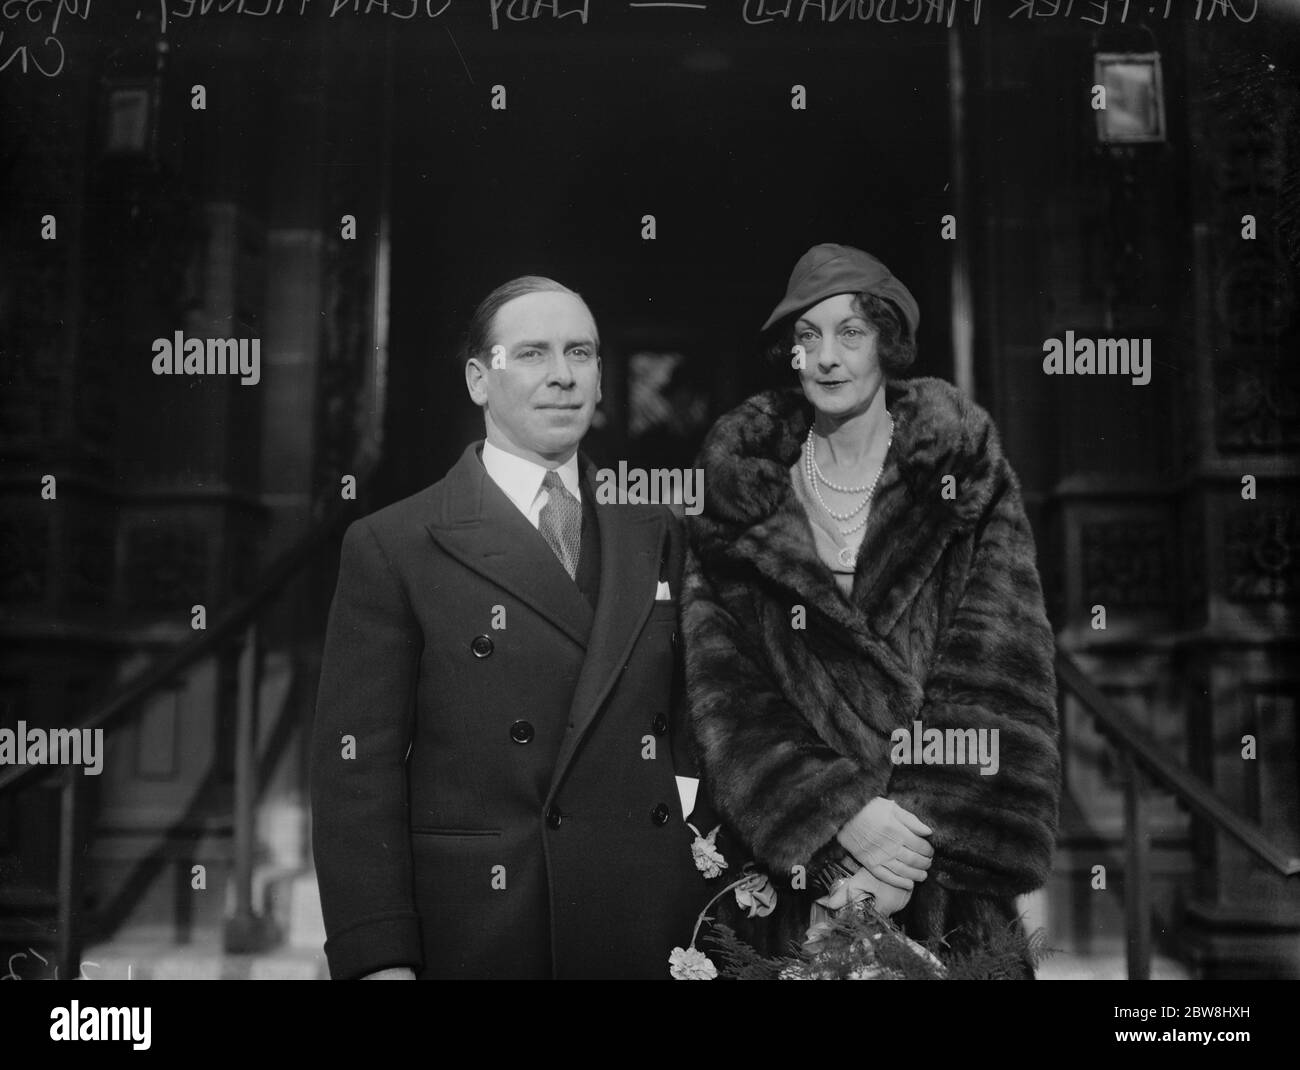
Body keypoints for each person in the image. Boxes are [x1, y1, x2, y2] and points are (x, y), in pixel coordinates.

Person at [311, 275, 719, 979]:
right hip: (485, 929)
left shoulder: (658, 532)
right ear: (479, 379)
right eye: (532, 353)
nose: (562, 376)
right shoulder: (397, 542)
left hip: (646, 929)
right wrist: (378, 957)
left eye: (581, 354)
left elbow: (695, 726)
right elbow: (356, 773)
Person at [681, 244, 1061, 974]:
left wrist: (896, 865)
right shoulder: (740, 493)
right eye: (806, 336)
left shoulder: (962, 476)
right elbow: (728, 690)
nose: (826, 357)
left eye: (850, 333)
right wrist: (840, 813)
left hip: (939, 873)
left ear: (886, 341)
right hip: (800, 879)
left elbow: (998, 676)